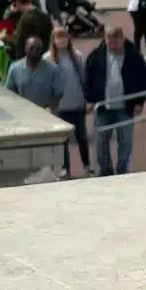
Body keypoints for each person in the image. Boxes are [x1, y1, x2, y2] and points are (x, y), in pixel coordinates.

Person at [84, 25, 146, 176]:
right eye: (109, 42)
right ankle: (106, 169)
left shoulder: (133, 55)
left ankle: (122, 167)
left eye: (115, 43)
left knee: (125, 140)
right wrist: (89, 100)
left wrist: (140, 101)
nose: (112, 46)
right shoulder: (95, 56)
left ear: (122, 39)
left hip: (125, 107)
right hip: (103, 107)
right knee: (101, 140)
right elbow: (87, 80)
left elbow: (144, 78)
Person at [48, 26, 91, 178]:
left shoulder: (77, 56)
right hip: (60, 107)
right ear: (53, 40)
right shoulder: (48, 59)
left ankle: (87, 165)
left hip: (77, 103)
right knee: (63, 140)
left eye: (65, 37)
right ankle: (66, 169)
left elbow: (84, 78)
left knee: (81, 136)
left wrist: (87, 99)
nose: (62, 40)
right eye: (59, 37)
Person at [4, 35, 63, 111]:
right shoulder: (15, 68)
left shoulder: (53, 69)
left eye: (39, 48)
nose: (35, 50)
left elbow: (58, 94)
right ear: (25, 48)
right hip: (23, 113)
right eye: (32, 48)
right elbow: (9, 92)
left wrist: (50, 108)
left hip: (46, 115)